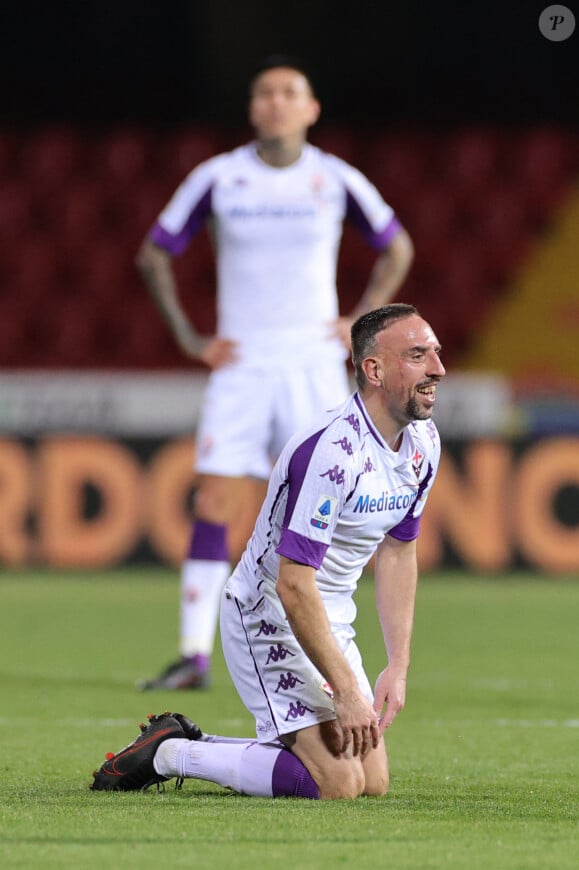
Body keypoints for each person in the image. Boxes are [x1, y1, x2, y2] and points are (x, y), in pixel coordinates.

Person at [135, 56, 414, 690]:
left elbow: (397, 245)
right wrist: (187, 337)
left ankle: (328, 638)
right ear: (252, 107)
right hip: (242, 364)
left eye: (291, 92)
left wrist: (361, 318)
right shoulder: (219, 177)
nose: (277, 102)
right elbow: (153, 254)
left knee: (329, 503)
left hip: (314, 362)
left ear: (311, 109)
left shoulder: (335, 178)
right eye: (266, 92)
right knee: (214, 499)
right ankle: (193, 654)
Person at [91, 303, 445, 800]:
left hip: (330, 619)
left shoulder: (422, 444)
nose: (438, 368)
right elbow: (293, 582)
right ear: (374, 369)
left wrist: (397, 666)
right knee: (338, 783)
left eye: (435, 352)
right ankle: (169, 753)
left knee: (375, 784)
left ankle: (195, 742)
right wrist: (345, 689)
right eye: (418, 354)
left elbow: (398, 553)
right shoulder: (332, 453)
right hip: (269, 613)